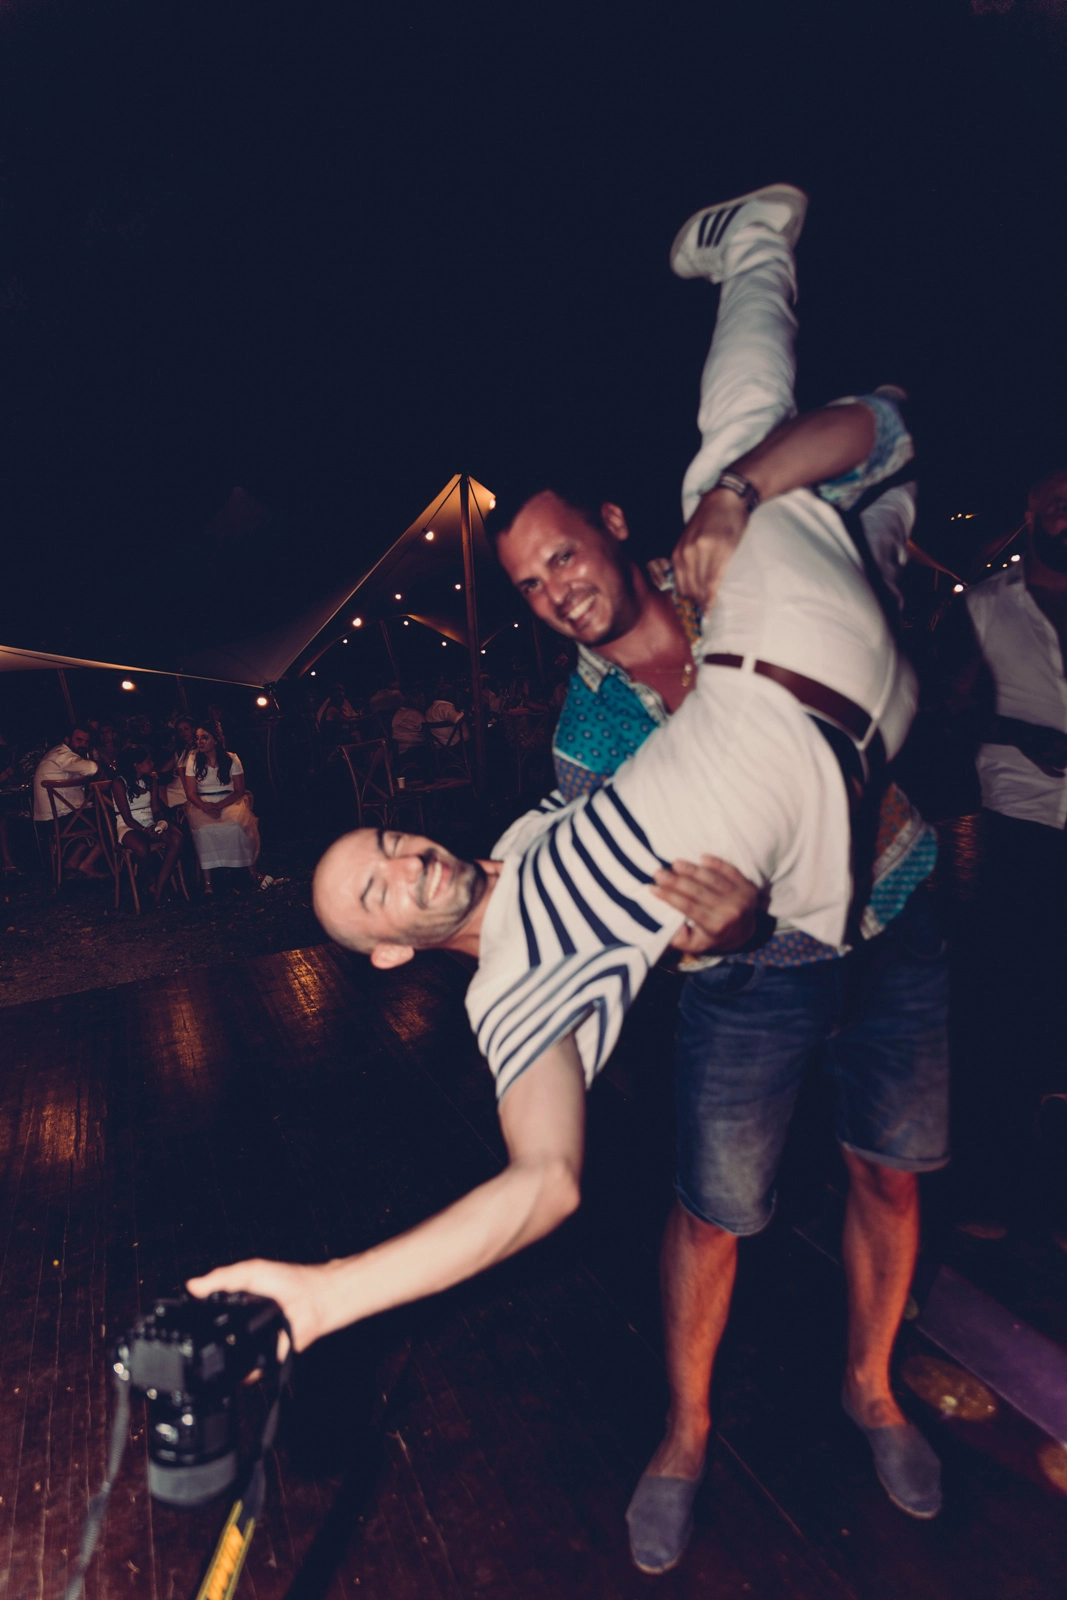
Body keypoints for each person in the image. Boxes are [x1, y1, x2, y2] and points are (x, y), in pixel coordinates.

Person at [192, 187, 946, 1555]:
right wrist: (324, 1296)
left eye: (388, 840)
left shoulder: (540, 821)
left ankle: (759, 243)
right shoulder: (517, 994)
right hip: (821, 826)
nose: (405, 859)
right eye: (378, 889)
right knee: (725, 1203)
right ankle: (687, 1432)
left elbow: (847, 431)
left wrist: (740, 499)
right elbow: (539, 1185)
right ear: (387, 951)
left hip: (792, 672)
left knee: (747, 444)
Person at [936, 467, 1067, 1227]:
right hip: (1018, 828)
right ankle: (991, 1188)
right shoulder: (983, 608)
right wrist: (1022, 733)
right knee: (1003, 1010)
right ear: (1033, 510)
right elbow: (940, 711)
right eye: (1061, 504)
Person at [181, 719, 261, 893]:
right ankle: (208, 883)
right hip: (203, 803)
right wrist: (205, 806)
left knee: (237, 826)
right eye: (197, 738)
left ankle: (251, 872)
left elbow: (239, 790)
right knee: (204, 831)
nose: (199, 742)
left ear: (215, 740)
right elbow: (191, 793)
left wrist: (218, 806)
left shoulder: (231, 759)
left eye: (204, 738)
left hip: (228, 800)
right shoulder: (193, 760)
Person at [111, 745, 185, 907]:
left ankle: (158, 887)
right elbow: (127, 817)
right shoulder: (119, 783)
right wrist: (143, 830)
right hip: (129, 824)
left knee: (177, 837)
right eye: (148, 760)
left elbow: (156, 809)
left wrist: (158, 823)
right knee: (141, 847)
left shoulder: (150, 780)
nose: (152, 763)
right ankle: (154, 882)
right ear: (136, 765)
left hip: (149, 821)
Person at [32, 726, 108, 877]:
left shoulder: (59, 754)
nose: (83, 744)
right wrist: (100, 769)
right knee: (110, 819)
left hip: (54, 818)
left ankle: (73, 862)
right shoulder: (63, 755)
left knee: (98, 813)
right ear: (67, 740)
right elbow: (92, 768)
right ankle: (88, 864)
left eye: (86, 742)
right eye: (79, 740)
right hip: (57, 820)